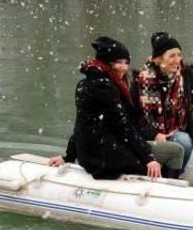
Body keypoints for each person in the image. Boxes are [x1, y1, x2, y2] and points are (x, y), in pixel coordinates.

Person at [49, 36, 184, 179]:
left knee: (168, 152)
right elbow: (123, 125)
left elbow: (82, 123)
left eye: (126, 63)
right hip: (105, 157)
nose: (124, 67)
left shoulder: (87, 83)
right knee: (172, 154)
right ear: (106, 63)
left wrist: (69, 156)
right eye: (118, 62)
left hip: (97, 152)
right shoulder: (106, 87)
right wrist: (148, 158)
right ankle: (166, 191)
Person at [132, 32, 193, 169]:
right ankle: (171, 177)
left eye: (179, 55)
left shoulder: (188, 75)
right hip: (149, 136)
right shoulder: (139, 81)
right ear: (158, 59)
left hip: (180, 130)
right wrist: (154, 134)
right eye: (171, 56)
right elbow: (134, 116)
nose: (177, 60)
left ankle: (176, 169)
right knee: (184, 142)